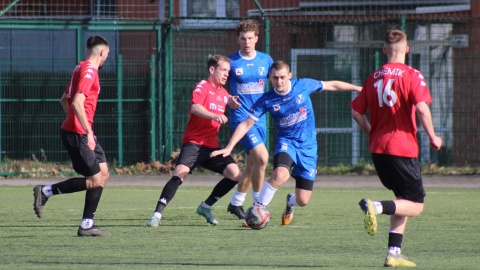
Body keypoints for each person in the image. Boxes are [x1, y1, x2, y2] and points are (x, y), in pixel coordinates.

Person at [212, 60, 361, 226]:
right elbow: (246, 123)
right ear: (270, 77)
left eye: (282, 77)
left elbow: (332, 85)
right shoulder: (266, 99)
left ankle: (290, 202)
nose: (279, 81)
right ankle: (257, 210)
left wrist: (359, 89)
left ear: (289, 75)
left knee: (303, 200)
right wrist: (229, 147)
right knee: (280, 175)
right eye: (275, 78)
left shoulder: (302, 85)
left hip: (308, 147)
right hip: (286, 143)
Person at [350, 29, 442, 267]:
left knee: (403, 199)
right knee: (416, 206)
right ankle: (377, 206)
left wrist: (372, 131)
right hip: (402, 148)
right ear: (407, 49)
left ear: (383, 50)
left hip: (378, 150)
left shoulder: (372, 78)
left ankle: (393, 254)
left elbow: (356, 112)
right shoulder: (412, 75)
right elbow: (422, 108)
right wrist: (432, 136)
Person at [146, 55, 242, 227]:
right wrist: (214, 115)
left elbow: (226, 99)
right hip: (194, 143)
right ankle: (157, 214)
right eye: (223, 70)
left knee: (235, 174)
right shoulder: (202, 86)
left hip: (211, 147)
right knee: (179, 175)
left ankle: (206, 206)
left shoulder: (223, 91)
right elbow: (195, 107)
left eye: (229, 71)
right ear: (212, 70)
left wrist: (232, 102)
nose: (227, 74)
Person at [33, 35, 111, 237]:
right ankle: (45, 192)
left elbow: (63, 100)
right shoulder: (89, 71)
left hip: (79, 130)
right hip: (80, 133)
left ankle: (87, 224)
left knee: (103, 174)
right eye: (107, 55)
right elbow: (76, 102)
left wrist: (76, 122)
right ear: (101, 52)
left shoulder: (79, 67)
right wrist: (86, 131)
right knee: (94, 180)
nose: (106, 59)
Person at [226, 19, 274, 224]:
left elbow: (277, 82)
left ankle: (236, 202)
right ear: (238, 39)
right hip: (240, 118)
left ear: (256, 39)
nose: (247, 42)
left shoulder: (266, 60)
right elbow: (216, 87)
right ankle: (258, 205)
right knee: (263, 158)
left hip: (259, 118)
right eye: (243, 38)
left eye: (250, 38)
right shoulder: (230, 62)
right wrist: (227, 99)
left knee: (253, 164)